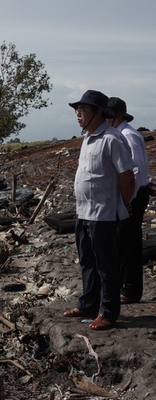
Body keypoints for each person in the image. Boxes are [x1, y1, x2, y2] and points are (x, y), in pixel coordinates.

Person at [63, 90, 135, 330]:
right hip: (83, 212)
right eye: (77, 110)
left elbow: (127, 175)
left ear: (98, 113)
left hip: (103, 213)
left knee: (106, 264)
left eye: (82, 110)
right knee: (87, 261)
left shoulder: (113, 139)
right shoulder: (87, 138)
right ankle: (88, 304)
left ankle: (109, 311)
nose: (78, 115)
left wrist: (124, 203)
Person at [107, 97, 150, 304]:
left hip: (133, 195)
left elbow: (135, 170)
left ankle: (130, 290)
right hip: (132, 194)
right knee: (124, 242)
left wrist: (128, 200)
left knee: (128, 243)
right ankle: (126, 287)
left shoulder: (127, 136)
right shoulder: (124, 134)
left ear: (118, 115)